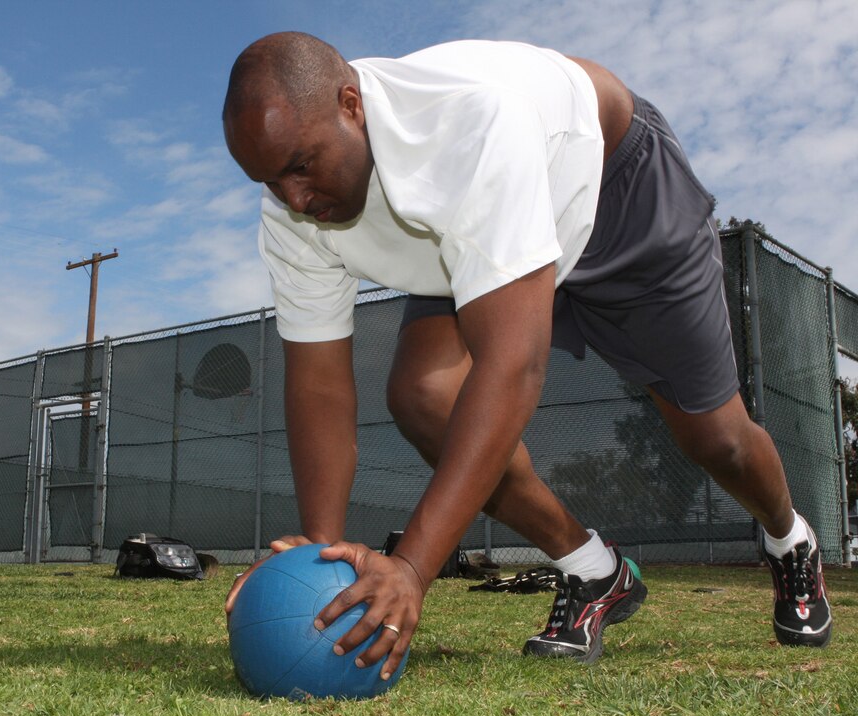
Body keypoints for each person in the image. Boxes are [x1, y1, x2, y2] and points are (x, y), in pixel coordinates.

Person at [221, 32, 832, 677]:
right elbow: (318, 383)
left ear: (352, 105)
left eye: (300, 166)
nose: (293, 199)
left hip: (614, 193)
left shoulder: (467, 125)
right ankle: (594, 571)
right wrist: (321, 551)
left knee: (719, 440)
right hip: (476, 239)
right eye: (268, 180)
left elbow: (511, 368)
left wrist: (411, 568)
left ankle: (790, 538)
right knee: (425, 396)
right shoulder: (290, 214)